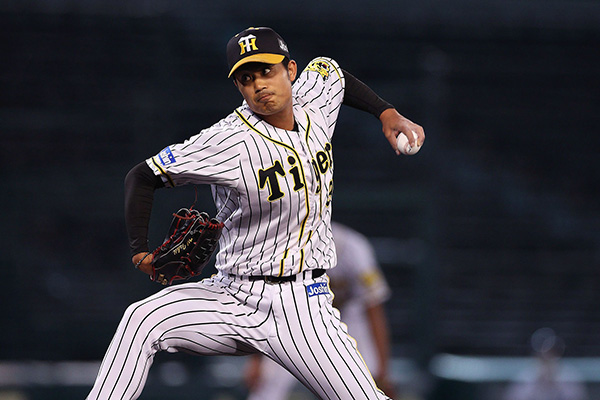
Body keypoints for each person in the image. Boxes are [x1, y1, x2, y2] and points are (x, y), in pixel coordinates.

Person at [87, 26, 425, 400]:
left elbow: (333, 74)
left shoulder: (315, 102)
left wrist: (386, 112)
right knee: (141, 321)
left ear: (290, 70)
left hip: (302, 306)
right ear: (238, 87)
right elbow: (142, 176)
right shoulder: (227, 140)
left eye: (267, 71)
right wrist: (140, 251)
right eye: (246, 78)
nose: (259, 84)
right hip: (232, 295)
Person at [244, 221, 396, 400]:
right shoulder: (288, 247)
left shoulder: (353, 248)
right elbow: (269, 305)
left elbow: (374, 309)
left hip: (348, 318)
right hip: (299, 318)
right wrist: (256, 361)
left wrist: (383, 371)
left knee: (368, 373)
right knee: (266, 380)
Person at [502, 328, 589, 400]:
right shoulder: (525, 377)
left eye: (551, 352)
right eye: (542, 353)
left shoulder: (569, 376)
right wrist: (538, 383)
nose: (547, 356)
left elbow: (578, 397)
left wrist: (556, 384)